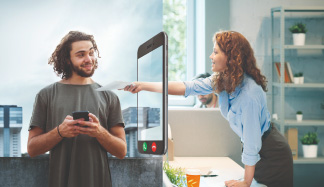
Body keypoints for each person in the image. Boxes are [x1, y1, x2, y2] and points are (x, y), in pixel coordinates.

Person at [124, 31, 293, 187]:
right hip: (258, 151)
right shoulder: (223, 79)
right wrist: (143, 85)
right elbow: (187, 87)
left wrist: (246, 181)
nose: (211, 56)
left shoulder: (249, 94)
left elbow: (252, 141)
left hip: (272, 154)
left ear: (231, 56)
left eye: (216, 52)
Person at [27, 31, 127, 187]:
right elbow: (32, 149)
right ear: (67, 60)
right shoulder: (45, 95)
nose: (89, 59)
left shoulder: (109, 97)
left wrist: (99, 132)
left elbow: (121, 151)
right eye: (81, 55)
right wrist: (60, 132)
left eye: (91, 53)